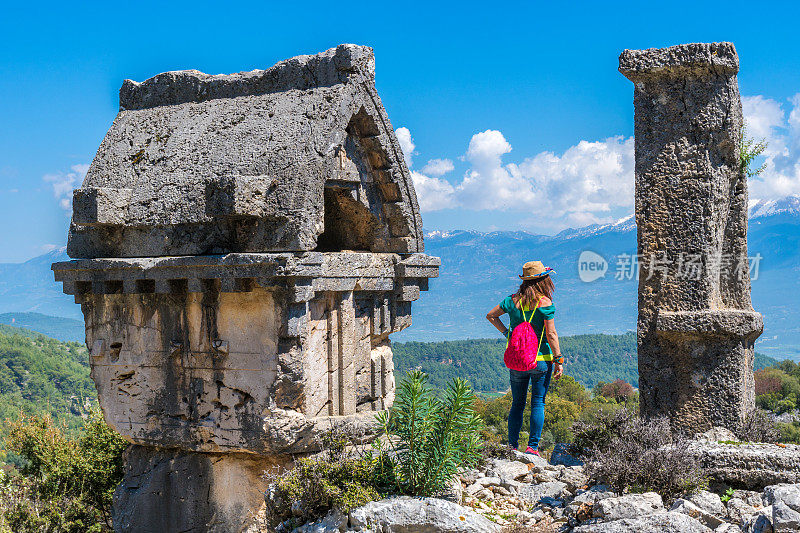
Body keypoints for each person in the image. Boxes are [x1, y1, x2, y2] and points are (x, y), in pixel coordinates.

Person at [486, 260, 563, 455]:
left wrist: (507, 334)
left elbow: (491, 315)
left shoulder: (512, 301)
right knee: (538, 402)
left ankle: (511, 447)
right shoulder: (545, 303)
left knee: (517, 403)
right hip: (540, 360)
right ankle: (532, 448)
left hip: (517, 360)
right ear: (543, 280)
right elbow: (551, 334)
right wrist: (558, 359)